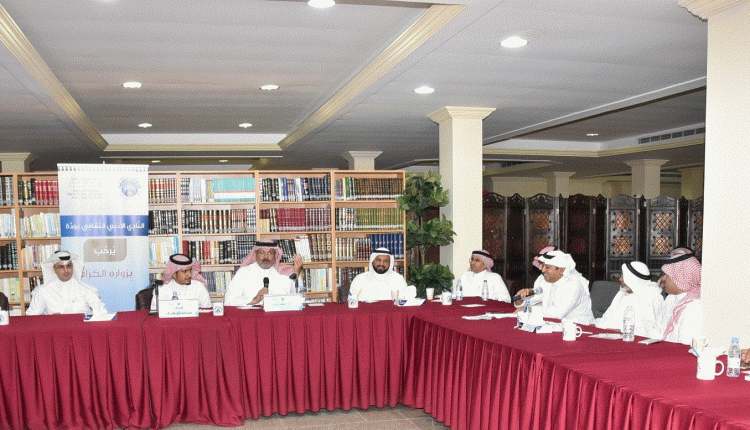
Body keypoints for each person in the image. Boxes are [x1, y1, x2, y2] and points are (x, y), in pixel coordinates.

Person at [514, 249, 594, 325]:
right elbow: (530, 301)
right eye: (543, 266)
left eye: (547, 267)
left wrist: (529, 310)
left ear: (561, 270)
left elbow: (558, 313)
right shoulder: (546, 281)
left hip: (580, 328)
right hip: (554, 325)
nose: (543, 270)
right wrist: (520, 300)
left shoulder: (574, 284)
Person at [642, 248, 702, 344]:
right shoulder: (671, 298)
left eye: (667, 275)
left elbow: (685, 345)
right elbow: (658, 331)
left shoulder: (694, 306)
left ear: (680, 278)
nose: (663, 278)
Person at [26, 251, 108, 315]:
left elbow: (101, 312)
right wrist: (49, 319)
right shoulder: (43, 291)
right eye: (61, 267)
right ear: (54, 269)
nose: (66, 270)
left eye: (69, 266)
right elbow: (32, 317)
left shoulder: (86, 289)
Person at [595, 260, 663, 336]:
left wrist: (621, 331)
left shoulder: (653, 297)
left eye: (623, 276)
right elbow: (607, 317)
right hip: (609, 335)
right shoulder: (622, 293)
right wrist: (595, 324)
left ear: (634, 280)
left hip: (631, 338)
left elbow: (649, 329)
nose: (620, 279)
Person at [224, 241, 302, 306]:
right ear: (255, 254)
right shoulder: (244, 272)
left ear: (275, 255)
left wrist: (296, 274)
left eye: (270, 253)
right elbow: (228, 300)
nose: (266, 257)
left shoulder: (283, 273)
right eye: (262, 253)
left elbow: (297, 298)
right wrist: (253, 300)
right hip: (252, 318)